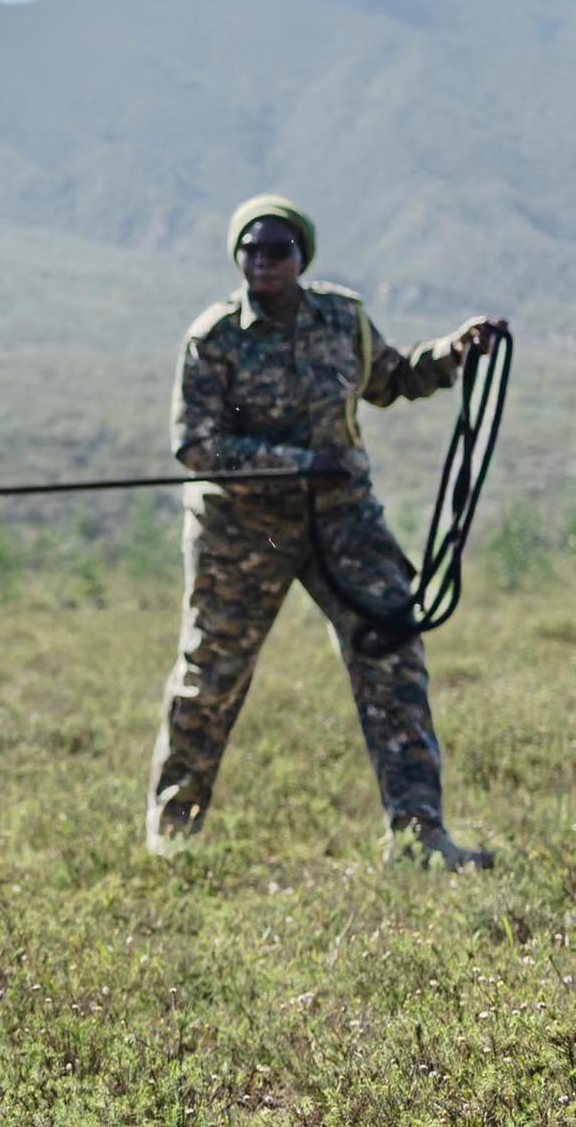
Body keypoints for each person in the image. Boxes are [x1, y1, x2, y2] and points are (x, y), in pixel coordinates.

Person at [152, 196, 509, 868]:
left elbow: (393, 379)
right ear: (237, 257)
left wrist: (454, 351)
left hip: (343, 519)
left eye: (276, 249)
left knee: (392, 657)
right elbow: (197, 445)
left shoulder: (341, 317)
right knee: (211, 677)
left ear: (299, 258)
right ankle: (173, 834)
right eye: (250, 249)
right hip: (240, 531)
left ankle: (419, 838)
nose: (262, 260)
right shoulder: (214, 337)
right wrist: (294, 465)